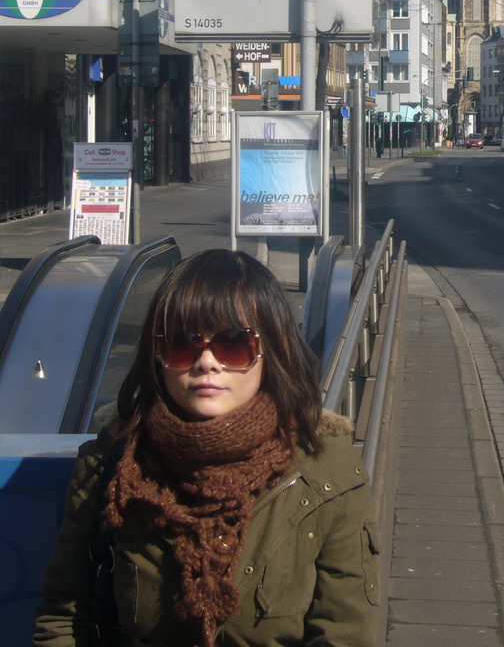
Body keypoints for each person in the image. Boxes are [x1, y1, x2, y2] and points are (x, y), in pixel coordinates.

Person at [33, 249, 380, 647]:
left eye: (234, 343)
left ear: (272, 351)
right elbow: (65, 613)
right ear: (157, 354)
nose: (206, 362)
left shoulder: (325, 472)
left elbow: (344, 633)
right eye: (183, 343)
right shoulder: (112, 463)